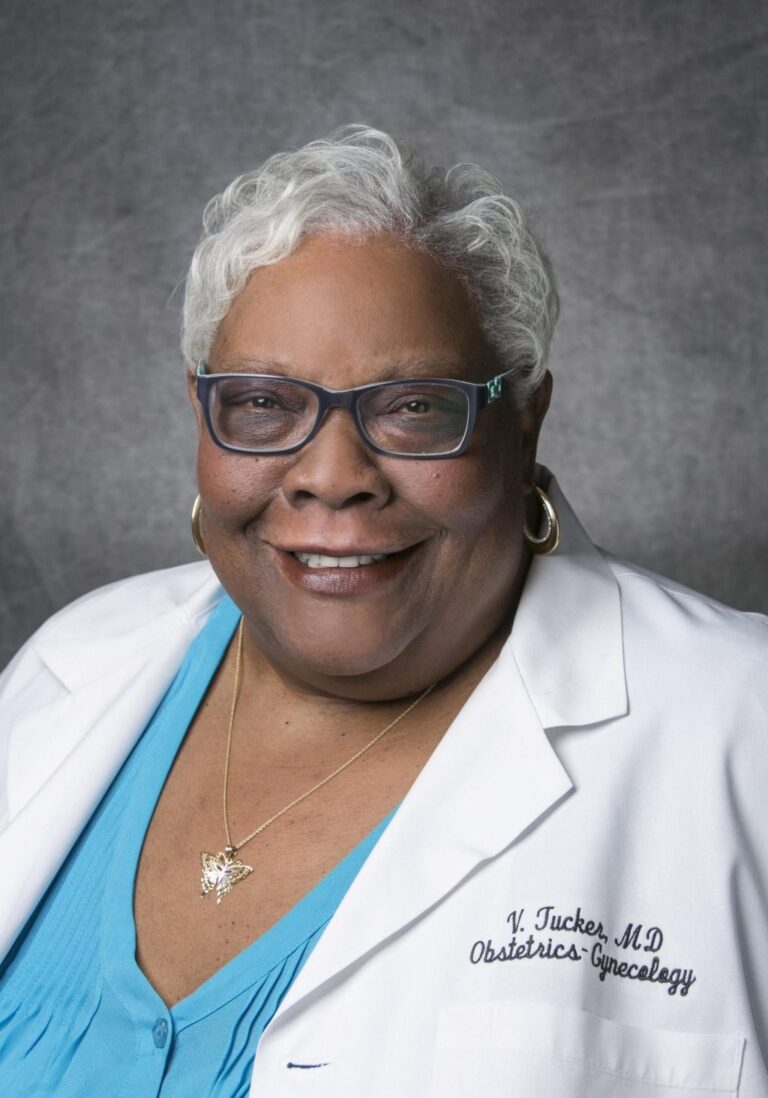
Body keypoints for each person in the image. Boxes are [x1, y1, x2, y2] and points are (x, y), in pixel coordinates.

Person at [0, 124, 765, 1097]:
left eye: (414, 406)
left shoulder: (741, 725)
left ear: (525, 417)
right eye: (265, 404)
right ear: (203, 414)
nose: (332, 479)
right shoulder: (68, 666)